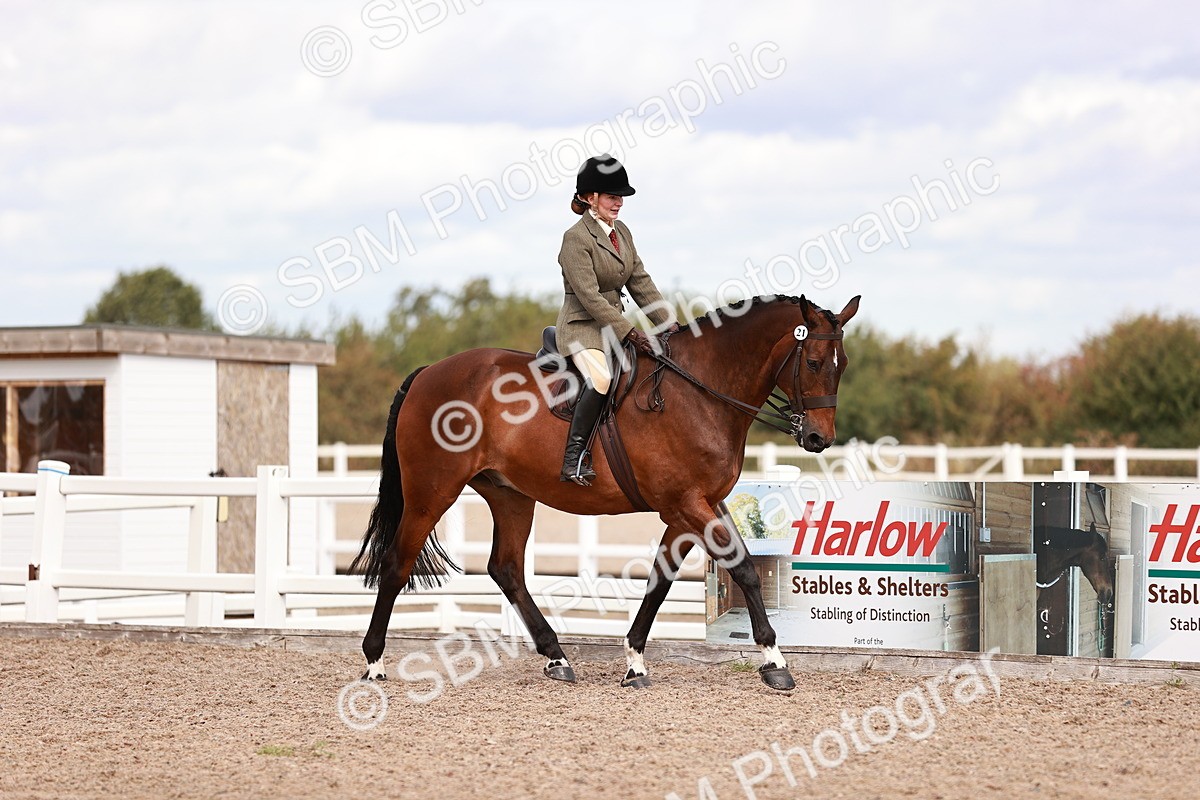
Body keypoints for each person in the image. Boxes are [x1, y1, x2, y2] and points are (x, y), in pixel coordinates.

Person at [556, 154, 677, 485]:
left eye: (620, 197)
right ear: (590, 197)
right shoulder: (575, 239)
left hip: (613, 328)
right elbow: (591, 299)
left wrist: (668, 324)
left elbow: (639, 280)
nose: (619, 203)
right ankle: (574, 458)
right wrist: (632, 333)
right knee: (602, 379)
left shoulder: (621, 232)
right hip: (583, 329)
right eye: (612, 196)